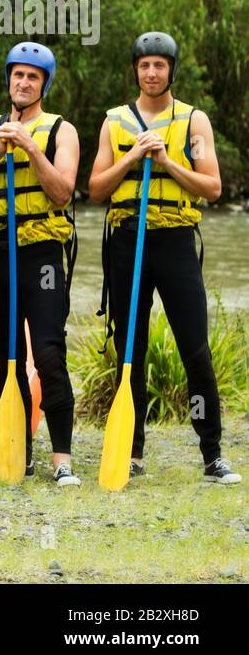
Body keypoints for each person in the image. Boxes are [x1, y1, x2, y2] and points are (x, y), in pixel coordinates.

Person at [87, 32, 239, 485]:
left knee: (195, 349)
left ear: (171, 70)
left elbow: (212, 188)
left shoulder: (193, 121)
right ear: (135, 70)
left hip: (174, 242)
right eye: (144, 65)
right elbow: (95, 189)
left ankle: (212, 453)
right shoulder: (115, 121)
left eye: (159, 65)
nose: (151, 73)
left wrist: (168, 162)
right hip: (127, 242)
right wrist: (133, 156)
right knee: (129, 349)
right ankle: (130, 453)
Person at [0, 42, 81, 485]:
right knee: (6, 353)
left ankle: (62, 459)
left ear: (43, 84)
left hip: (41, 253)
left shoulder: (61, 130)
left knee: (47, 352)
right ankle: (19, 452)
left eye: (32, 77)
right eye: (18, 76)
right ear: (9, 81)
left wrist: (28, 146)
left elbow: (63, 192)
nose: (23, 83)